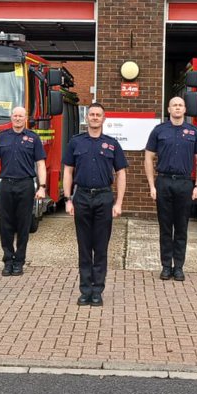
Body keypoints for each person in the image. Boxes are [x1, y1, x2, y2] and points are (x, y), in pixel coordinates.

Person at [62, 102, 127, 307]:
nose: (95, 117)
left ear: (104, 119)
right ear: (86, 118)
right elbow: (68, 171)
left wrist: (119, 202)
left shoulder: (112, 144)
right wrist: (67, 199)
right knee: (84, 246)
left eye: (98, 115)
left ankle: (97, 290)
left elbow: (121, 173)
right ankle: (85, 290)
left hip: (103, 198)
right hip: (81, 197)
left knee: (100, 246)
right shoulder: (76, 142)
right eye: (92, 114)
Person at [144, 96, 197, 282]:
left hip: (185, 184)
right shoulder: (159, 131)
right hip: (163, 182)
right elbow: (148, 158)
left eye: (180, 105)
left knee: (181, 227)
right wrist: (151, 185)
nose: (177, 108)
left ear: (185, 109)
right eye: (174, 105)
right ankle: (165, 267)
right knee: (165, 227)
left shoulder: (194, 132)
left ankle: (178, 267)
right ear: (168, 109)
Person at [0, 105, 47, 276]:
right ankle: (7, 260)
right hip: (6, 184)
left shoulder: (33, 138)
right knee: (5, 224)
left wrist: (41, 187)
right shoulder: (2, 138)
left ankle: (19, 261)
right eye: (15, 116)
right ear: (11, 117)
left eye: (21, 116)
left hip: (26, 185)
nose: (18, 118)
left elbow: (41, 164)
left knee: (23, 224)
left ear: (26, 117)